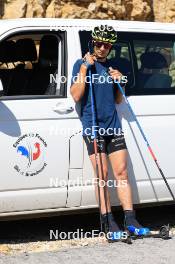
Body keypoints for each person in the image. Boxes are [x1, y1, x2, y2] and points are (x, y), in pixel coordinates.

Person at [70, 25, 150, 241]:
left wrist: (119, 80)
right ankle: (107, 220)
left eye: (107, 45)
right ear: (92, 43)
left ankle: (130, 219)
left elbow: (117, 100)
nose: (103, 48)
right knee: (103, 176)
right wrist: (85, 69)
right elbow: (76, 95)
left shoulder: (113, 67)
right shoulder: (81, 64)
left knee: (122, 172)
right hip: (93, 127)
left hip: (113, 126)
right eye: (99, 44)